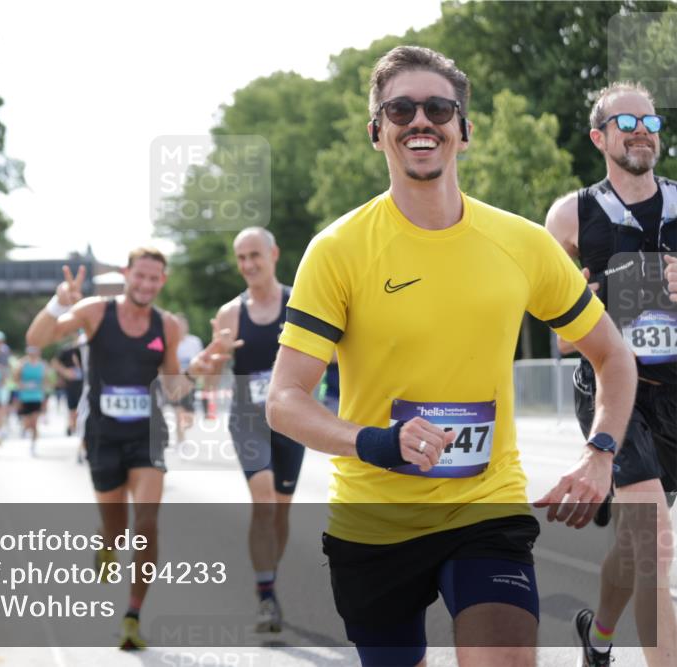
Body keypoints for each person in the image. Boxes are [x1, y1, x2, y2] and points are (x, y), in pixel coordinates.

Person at [265, 46, 637, 667]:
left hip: (486, 510)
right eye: (400, 109)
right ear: (376, 132)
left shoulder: (521, 244)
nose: (420, 120)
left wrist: (600, 454)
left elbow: (613, 357)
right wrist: (379, 442)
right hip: (374, 524)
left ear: (463, 131)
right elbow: (284, 400)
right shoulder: (337, 251)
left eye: (439, 108)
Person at [26, 249, 229, 650]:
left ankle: (133, 616)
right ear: (126, 274)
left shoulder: (166, 326)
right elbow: (37, 339)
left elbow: (172, 388)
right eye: (140, 277)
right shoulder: (95, 311)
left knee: (147, 524)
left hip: (146, 435)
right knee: (117, 531)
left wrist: (196, 371)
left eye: (155, 279)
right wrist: (57, 303)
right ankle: (106, 539)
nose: (146, 285)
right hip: (102, 434)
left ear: (162, 282)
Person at [545, 81, 676, 667]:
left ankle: (597, 637)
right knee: (653, 544)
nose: (643, 132)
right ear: (600, 136)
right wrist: (585, 313)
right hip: (612, 391)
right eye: (627, 123)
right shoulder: (570, 215)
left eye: (651, 123)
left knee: (632, 546)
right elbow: (555, 331)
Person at [207, 227, 305, 633]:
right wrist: (214, 358)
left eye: (254, 255)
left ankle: (270, 577)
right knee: (263, 500)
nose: (248, 264)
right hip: (248, 416)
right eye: (241, 257)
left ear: (274, 253)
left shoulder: (300, 301)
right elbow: (210, 376)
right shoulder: (231, 313)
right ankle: (265, 594)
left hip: (292, 416)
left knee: (281, 509)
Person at [172, 314, 203, 447]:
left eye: (182, 325)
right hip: (174, 383)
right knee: (178, 411)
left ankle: (182, 431)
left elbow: (201, 361)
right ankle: (180, 440)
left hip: (191, 383)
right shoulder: (170, 342)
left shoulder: (194, 342)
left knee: (189, 419)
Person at [15, 346, 46, 455]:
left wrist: (43, 391)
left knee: (34, 423)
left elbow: (46, 381)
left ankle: (33, 445)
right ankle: (25, 430)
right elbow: (15, 379)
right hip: (25, 397)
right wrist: (22, 385)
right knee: (27, 423)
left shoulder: (42, 365)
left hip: (37, 397)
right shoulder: (22, 364)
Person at [51, 339, 84, 438]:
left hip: (87, 384)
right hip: (72, 385)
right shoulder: (67, 349)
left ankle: (76, 426)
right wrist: (65, 372)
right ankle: (72, 425)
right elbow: (55, 362)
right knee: (73, 408)